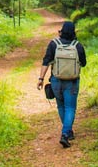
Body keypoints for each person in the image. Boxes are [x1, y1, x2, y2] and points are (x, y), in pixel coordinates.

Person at [36, 20, 87, 148]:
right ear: (74, 32)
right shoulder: (78, 46)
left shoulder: (54, 44)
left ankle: (68, 131)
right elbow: (84, 63)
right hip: (72, 81)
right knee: (70, 107)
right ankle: (65, 133)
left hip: (56, 80)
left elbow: (46, 61)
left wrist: (41, 78)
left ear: (62, 31)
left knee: (61, 106)